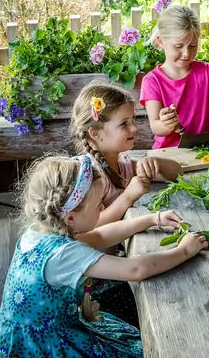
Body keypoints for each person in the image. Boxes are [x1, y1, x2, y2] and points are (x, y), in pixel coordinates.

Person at [0, 155, 208, 357]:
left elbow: (99, 236)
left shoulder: (38, 233)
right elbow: (135, 270)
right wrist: (184, 250)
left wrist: (151, 219)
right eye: (98, 205)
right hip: (44, 345)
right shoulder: (64, 254)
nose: (101, 210)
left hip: (15, 334)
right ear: (70, 218)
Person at [70, 80, 183, 324]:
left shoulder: (119, 163)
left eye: (133, 119)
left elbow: (177, 173)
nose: (134, 127)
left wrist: (155, 162)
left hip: (114, 264)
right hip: (94, 283)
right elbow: (89, 230)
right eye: (124, 123)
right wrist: (129, 196)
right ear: (96, 133)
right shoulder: (89, 174)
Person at [140, 4, 209, 148]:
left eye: (193, 45)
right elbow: (155, 127)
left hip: (206, 151)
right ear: (161, 41)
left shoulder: (206, 71)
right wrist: (166, 123)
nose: (186, 53)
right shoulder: (152, 81)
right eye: (178, 46)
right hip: (169, 154)